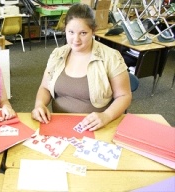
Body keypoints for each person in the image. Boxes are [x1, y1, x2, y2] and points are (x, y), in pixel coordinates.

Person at [31, 3, 132, 131]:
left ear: (93, 31)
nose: (76, 39)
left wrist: (106, 116)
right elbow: (45, 87)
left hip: (96, 128)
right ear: (65, 30)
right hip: (58, 125)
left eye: (83, 33)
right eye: (71, 32)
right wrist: (39, 105)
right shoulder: (57, 54)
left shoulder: (111, 57)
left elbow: (124, 96)